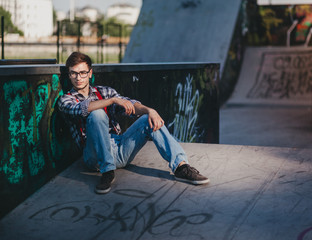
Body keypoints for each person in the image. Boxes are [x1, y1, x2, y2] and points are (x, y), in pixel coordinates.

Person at [58, 52, 209, 194]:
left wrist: (150, 110)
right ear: (69, 75)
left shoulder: (104, 91)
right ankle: (107, 171)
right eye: (74, 73)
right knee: (97, 114)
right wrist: (112, 100)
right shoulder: (66, 100)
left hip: (120, 148)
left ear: (90, 73)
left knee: (147, 119)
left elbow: (130, 105)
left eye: (83, 72)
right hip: (94, 155)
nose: (78, 77)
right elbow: (83, 109)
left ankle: (181, 167)